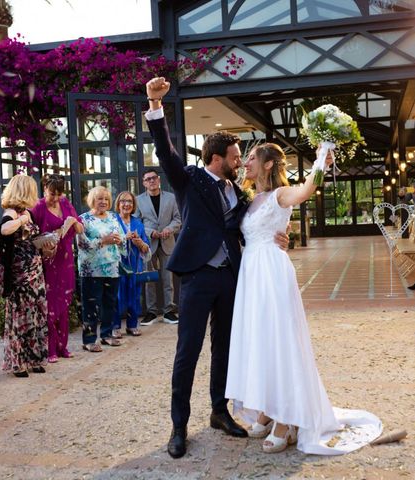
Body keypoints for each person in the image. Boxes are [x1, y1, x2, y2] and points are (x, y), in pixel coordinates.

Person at [144, 76, 288, 459]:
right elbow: (165, 150)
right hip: (195, 276)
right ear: (217, 157)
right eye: (237, 156)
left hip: (230, 277)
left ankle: (219, 412)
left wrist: (278, 236)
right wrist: (155, 106)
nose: (241, 163)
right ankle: (179, 427)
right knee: (187, 351)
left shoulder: (237, 191)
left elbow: (250, 225)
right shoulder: (189, 179)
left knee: (225, 347)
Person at [225, 143, 382, 454]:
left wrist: (322, 157)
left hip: (271, 271)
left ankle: (287, 419)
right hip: (251, 274)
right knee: (259, 338)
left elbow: (308, 189)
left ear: (269, 165)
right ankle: (267, 409)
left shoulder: (281, 194)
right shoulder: (250, 198)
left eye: (253, 158)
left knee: (281, 339)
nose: (246, 162)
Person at [0, 175, 49, 377]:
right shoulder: (11, 212)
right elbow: (4, 230)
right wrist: (21, 220)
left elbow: (32, 238)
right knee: (21, 316)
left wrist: (46, 242)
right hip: (20, 275)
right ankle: (18, 362)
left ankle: (35, 358)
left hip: (36, 271)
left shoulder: (28, 213)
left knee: (36, 314)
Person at [32, 174, 83, 362]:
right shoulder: (37, 207)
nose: (55, 198)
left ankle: (63, 346)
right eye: (52, 193)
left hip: (66, 259)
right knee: (50, 304)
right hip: (48, 260)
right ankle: (50, 348)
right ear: (44, 189)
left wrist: (73, 222)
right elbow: (31, 236)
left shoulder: (65, 203)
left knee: (64, 304)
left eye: (59, 193)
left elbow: (80, 229)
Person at [77, 186, 125, 352]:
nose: (103, 202)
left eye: (106, 199)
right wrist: (103, 241)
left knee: (109, 303)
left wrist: (120, 240)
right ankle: (89, 340)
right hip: (91, 269)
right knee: (91, 305)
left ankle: (106, 335)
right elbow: (82, 245)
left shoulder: (113, 217)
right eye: (100, 199)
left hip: (112, 268)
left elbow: (121, 237)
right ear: (92, 200)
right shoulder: (83, 219)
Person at [136, 168, 181, 325]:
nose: (151, 181)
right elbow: (136, 222)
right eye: (148, 179)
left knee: (168, 279)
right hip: (148, 245)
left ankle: (169, 311)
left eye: (154, 178)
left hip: (168, 243)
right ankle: (151, 312)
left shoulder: (171, 198)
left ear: (159, 180)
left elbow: (178, 218)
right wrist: (149, 232)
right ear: (143, 183)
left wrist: (170, 228)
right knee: (149, 279)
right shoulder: (139, 200)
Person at [114, 191, 151, 338]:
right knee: (116, 295)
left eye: (129, 201)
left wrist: (141, 243)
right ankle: (115, 326)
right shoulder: (112, 220)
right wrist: (124, 237)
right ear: (118, 203)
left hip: (135, 265)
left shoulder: (138, 223)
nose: (126, 204)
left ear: (133, 205)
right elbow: (109, 241)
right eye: (123, 201)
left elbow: (146, 246)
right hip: (117, 265)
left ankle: (132, 325)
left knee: (135, 295)